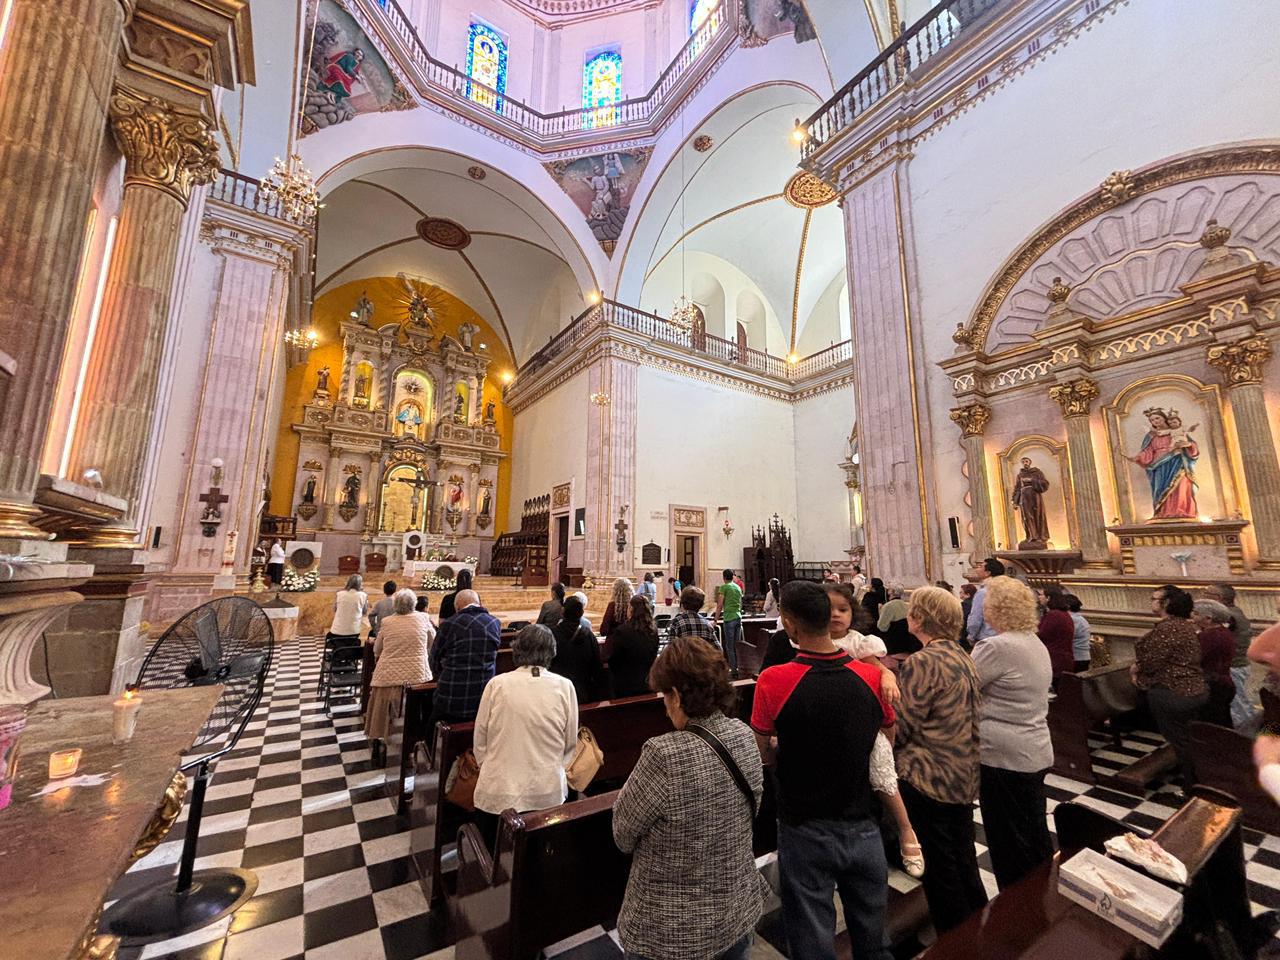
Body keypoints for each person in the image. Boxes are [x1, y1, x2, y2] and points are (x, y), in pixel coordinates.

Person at [752, 581, 894, 960]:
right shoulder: (872, 677)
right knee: (874, 939)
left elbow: (762, 749)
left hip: (804, 824)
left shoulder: (774, 679)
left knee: (812, 938)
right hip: (863, 821)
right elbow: (888, 737)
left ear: (791, 625)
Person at [614, 637, 769, 960]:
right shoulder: (742, 734)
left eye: (664, 695)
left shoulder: (663, 754)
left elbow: (623, 834)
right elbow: (753, 805)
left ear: (676, 696)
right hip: (735, 911)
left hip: (669, 932)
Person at [895, 586, 987, 933]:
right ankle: (980, 934)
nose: (908, 616)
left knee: (942, 873)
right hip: (962, 772)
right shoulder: (964, 655)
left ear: (920, 618)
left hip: (929, 776)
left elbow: (905, 723)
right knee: (964, 863)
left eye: (912, 611)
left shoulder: (924, 661)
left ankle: (957, 944)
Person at [823, 583, 921, 880]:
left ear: (854, 614)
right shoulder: (813, 641)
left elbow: (880, 669)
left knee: (882, 772)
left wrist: (889, 679)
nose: (836, 616)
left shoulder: (859, 643)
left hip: (861, 716)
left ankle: (907, 831)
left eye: (843, 610)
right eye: (830, 611)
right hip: (830, 719)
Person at [972, 575, 1055, 891]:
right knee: (1032, 831)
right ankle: (1041, 895)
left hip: (1003, 755)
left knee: (1008, 841)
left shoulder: (997, 646)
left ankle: (1020, 911)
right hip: (1033, 748)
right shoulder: (1034, 641)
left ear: (996, 609)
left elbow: (964, 685)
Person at [473, 624, 578, 845]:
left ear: (517, 649)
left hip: (498, 792)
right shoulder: (565, 686)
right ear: (551, 651)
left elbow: (480, 740)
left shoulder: (497, 684)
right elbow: (569, 745)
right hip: (547, 792)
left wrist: (492, 767)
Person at [1135, 585, 1208, 790]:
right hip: (1193, 688)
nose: (1151, 602)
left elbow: (1151, 663)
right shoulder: (1185, 625)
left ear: (1166, 603)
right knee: (1186, 739)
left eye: (1154, 598)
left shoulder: (1167, 628)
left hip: (1173, 691)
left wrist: (1137, 668)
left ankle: (1193, 787)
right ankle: (1199, 778)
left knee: (1181, 742)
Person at [365, 589, 434, 760]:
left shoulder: (387, 622)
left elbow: (377, 648)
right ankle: (412, 745)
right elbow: (433, 641)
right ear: (414, 605)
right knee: (414, 710)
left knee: (382, 711)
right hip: (418, 674)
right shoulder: (423, 618)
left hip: (388, 675)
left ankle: (378, 739)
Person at [428, 588, 501, 723]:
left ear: (457, 607)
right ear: (479, 603)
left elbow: (433, 660)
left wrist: (441, 673)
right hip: (484, 693)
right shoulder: (494, 623)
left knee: (431, 722)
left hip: (451, 696)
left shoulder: (449, 624)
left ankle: (428, 741)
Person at [1203, 583, 1256, 730]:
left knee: (1238, 704)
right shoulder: (1234, 611)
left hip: (1234, 666)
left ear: (1219, 598)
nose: (1203, 597)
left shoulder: (1229, 616)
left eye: (1207, 594)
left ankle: (1247, 738)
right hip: (1236, 665)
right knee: (1240, 702)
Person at [550, 594, 606, 703]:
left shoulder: (552, 634)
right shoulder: (589, 636)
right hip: (582, 690)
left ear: (562, 611)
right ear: (582, 613)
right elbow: (597, 666)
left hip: (557, 691)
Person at [1192, 599, 1236, 728]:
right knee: (1222, 721)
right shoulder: (1223, 632)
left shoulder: (1209, 637)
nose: (1192, 617)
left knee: (1211, 724)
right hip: (1223, 682)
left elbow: (1194, 658)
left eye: (1195, 614)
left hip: (1212, 684)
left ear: (1208, 618)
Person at [608, 595, 660, 698]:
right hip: (647, 683)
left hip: (625, 684)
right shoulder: (653, 631)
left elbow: (614, 659)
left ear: (631, 609)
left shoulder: (622, 631)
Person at [964, 557, 1006, 644]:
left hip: (986, 637)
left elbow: (976, 617)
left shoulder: (983, 593)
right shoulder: (1005, 589)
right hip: (1003, 635)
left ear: (987, 573)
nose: (977, 569)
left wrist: (971, 635)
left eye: (980, 566)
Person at [714, 569, 745, 678]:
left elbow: (719, 605)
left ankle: (734, 671)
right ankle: (740, 668)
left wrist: (715, 620)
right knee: (737, 645)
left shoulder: (724, 587)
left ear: (724, 577)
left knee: (730, 646)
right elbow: (740, 603)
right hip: (738, 617)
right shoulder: (737, 587)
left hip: (729, 618)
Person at [1037, 591, 1076, 677]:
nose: (1039, 597)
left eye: (1041, 595)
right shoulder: (1064, 614)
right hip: (1064, 658)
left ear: (1048, 598)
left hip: (1055, 659)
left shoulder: (1054, 615)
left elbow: (1041, 635)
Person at [876, 583, 917, 655]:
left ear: (892, 592)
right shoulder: (906, 605)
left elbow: (882, 627)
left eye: (889, 588)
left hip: (893, 642)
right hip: (906, 641)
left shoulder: (888, 606)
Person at [328, 574, 367, 641]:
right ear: (360, 584)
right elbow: (364, 612)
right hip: (354, 632)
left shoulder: (339, 594)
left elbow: (334, 609)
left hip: (337, 630)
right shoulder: (363, 595)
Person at [1066, 594, 1091, 672]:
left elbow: (1067, 636)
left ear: (1067, 606)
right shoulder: (1081, 619)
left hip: (1077, 657)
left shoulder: (1073, 619)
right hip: (1083, 656)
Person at [959, 583, 977, 650]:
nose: (960, 595)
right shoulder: (976, 603)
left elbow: (962, 619)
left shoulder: (965, 604)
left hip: (965, 635)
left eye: (961, 593)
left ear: (968, 594)